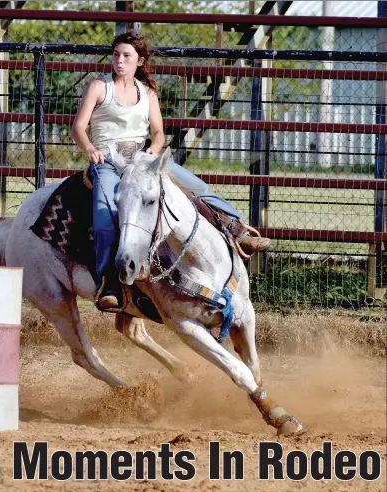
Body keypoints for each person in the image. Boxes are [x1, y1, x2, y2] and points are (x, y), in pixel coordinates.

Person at [71, 30, 270, 310]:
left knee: (196, 187)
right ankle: (109, 281)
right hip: (107, 162)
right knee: (106, 216)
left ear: (139, 61)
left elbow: (158, 133)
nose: (119, 60)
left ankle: (236, 229)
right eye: (116, 54)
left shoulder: (147, 93)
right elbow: (78, 128)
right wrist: (91, 149)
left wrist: (153, 151)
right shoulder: (99, 87)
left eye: (126, 56)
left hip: (141, 159)